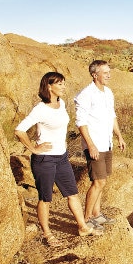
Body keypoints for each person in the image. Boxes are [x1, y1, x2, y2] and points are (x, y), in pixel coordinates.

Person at [15, 72, 103, 247]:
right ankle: (47, 234)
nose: (64, 87)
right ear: (49, 86)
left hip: (61, 157)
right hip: (44, 160)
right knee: (45, 198)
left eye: (64, 83)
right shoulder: (40, 109)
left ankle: (82, 227)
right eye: (60, 84)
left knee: (72, 193)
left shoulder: (61, 103)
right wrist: (33, 148)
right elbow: (19, 130)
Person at [74, 60, 126, 229]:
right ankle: (87, 218)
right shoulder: (85, 94)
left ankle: (97, 214)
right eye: (105, 73)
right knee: (98, 182)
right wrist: (91, 145)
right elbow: (81, 122)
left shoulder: (108, 92)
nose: (109, 75)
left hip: (107, 143)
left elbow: (112, 116)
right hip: (94, 144)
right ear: (95, 75)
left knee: (102, 181)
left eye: (109, 72)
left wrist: (119, 136)